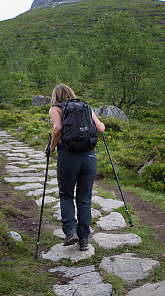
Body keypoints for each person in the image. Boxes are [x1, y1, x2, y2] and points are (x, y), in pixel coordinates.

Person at [47, 84, 105, 251]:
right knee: (84, 198)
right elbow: (100, 128)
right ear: (71, 93)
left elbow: (57, 128)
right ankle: (84, 239)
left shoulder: (56, 109)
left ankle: (71, 231)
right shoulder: (85, 106)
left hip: (68, 156)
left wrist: (51, 148)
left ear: (55, 96)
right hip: (89, 157)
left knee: (66, 194)